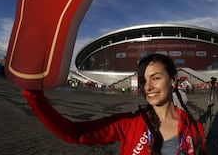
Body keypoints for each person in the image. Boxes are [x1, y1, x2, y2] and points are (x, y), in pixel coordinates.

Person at [23, 53, 206, 155]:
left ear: (173, 81)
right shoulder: (127, 125)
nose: (148, 87)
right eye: (143, 81)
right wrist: (34, 95)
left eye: (156, 78)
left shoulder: (195, 129)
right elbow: (74, 133)